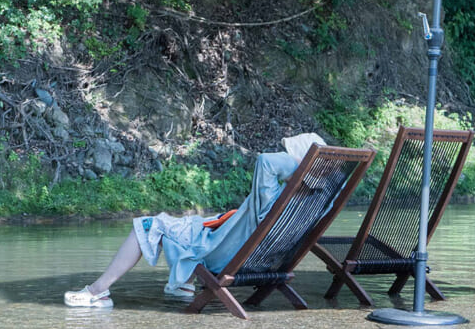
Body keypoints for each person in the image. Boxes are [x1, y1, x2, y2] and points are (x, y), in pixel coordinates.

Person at [63, 132, 326, 309]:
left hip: (221, 257)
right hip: (257, 259)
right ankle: (183, 285)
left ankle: (98, 291)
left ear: (299, 168)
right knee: (196, 224)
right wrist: (314, 172)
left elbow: (266, 161)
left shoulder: (272, 200)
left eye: (292, 159)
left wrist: (300, 165)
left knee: (148, 225)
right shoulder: (314, 205)